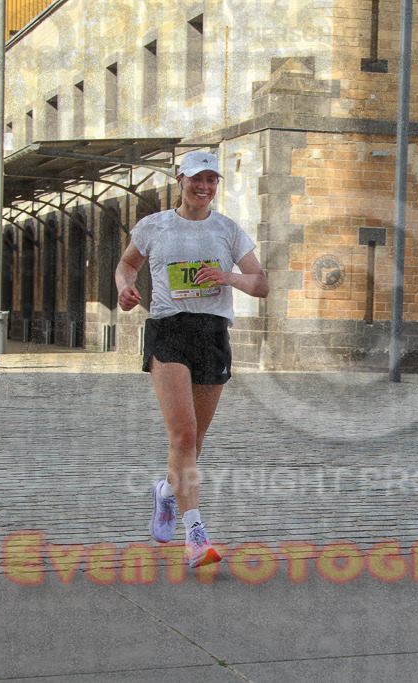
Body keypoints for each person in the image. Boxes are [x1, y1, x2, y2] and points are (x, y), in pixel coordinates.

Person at [115, 150, 268, 567]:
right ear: (180, 180)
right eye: (196, 179)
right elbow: (127, 264)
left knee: (194, 443)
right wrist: (124, 288)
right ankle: (196, 535)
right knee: (182, 435)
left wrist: (228, 276)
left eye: (212, 180)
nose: (204, 187)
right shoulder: (154, 226)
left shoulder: (228, 230)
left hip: (212, 334)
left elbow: (261, 284)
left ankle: (166, 492)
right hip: (169, 330)